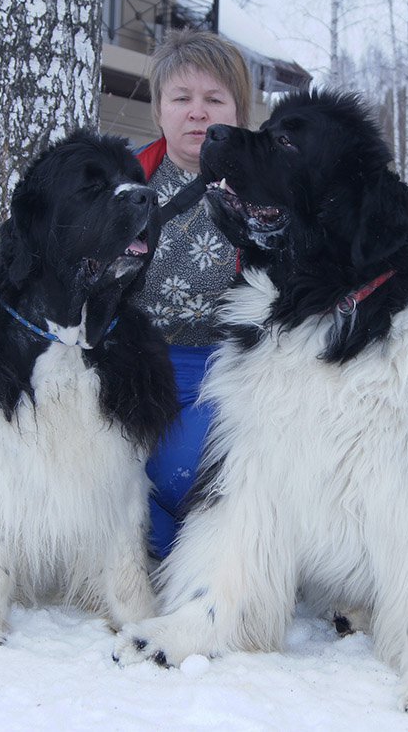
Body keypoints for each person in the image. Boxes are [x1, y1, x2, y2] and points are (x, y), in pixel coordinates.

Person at [132, 28, 253, 560]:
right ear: (159, 110)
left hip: (225, 372)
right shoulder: (124, 179)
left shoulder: (266, 190)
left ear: (238, 112)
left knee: (187, 483)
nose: (197, 113)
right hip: (131, 368)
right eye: (182, 98)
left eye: (214, 100)